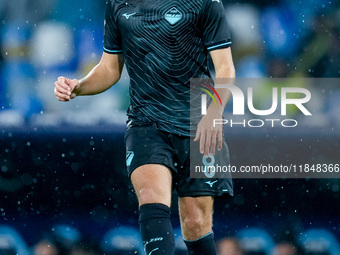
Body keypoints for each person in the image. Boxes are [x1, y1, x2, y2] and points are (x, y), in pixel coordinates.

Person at [54, 0, 235, 254]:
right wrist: (78, 87)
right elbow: (110, 68)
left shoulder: (205, 2)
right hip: (145, 122)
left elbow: (225, 68)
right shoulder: (118, 4)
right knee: (151, 196)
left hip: (197, 121)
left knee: (195, 222)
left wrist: (214, 112)